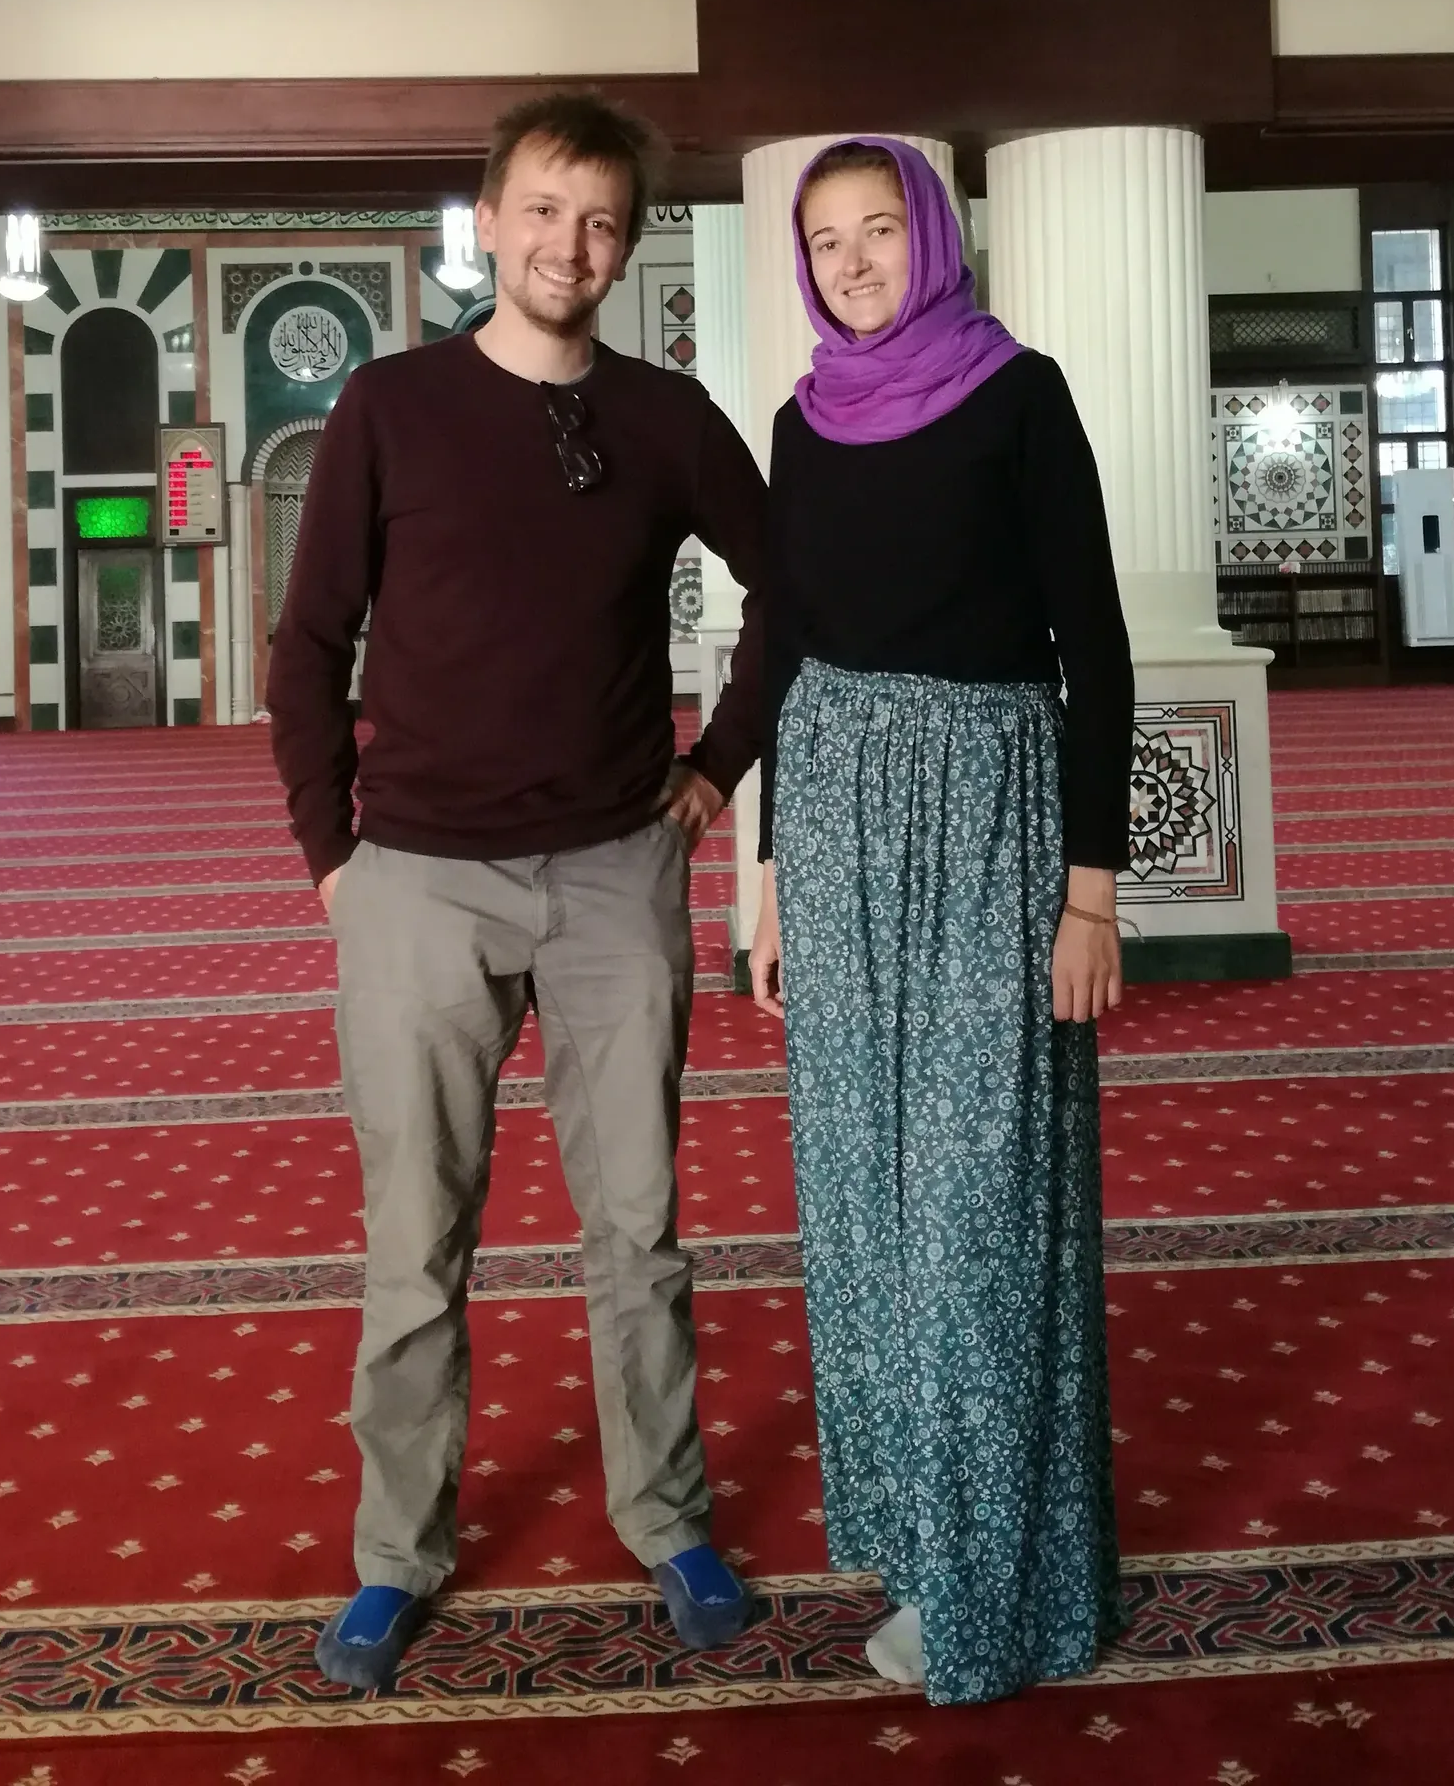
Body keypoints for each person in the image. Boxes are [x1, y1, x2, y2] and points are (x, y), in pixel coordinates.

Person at [267, 92, 768, 1691]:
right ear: (487, 221)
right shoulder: (390, 405)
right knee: (418, 1239)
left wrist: (720, 765)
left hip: (620, 867)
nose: (572, 244)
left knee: (640, 1229)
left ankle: (669, 1516)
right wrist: (331, 851)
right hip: (416, 876)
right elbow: (306, 640)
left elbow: (799, 589)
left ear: (629, 243)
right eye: (544, 210)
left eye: (604, 220)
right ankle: (395, 1555)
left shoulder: (674, 417)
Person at [746, 137, 1134, 1705]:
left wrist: (1093, 893)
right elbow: (782, 650)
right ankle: (922, 1536)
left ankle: (1005, 1581)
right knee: (863, 1213)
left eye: (876, 231)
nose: (850, 261)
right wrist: (764, 884)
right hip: (832, 823)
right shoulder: (799, 421)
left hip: (989, 824)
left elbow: (1096, 647)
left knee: (978, 1223)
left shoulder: (1020, 395)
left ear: (935, 237)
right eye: (824, 240)